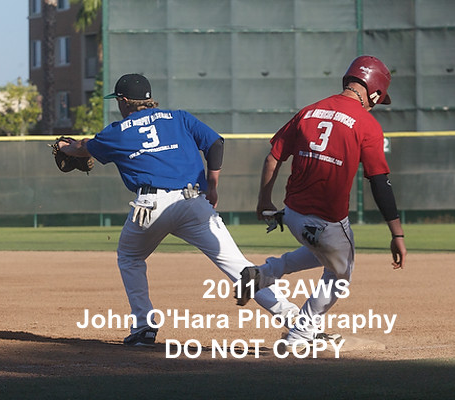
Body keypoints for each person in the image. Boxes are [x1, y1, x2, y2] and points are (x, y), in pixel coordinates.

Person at [59, 73, 299, 346]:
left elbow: (83, 148)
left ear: (124, 101)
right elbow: (215, 143)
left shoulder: (117, 131)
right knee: (238, 265)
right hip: (193, 202)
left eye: (118, 101)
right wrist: (212, 186)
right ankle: (296, 319)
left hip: (150, 207)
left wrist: (65, 147)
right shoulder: (179, 118)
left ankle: (144, 326)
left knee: (130, 257)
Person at [234, 56, 407, 350]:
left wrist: (264, 201)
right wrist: (397, 234)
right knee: (340, 274)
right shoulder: (367, 123)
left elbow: (273, 157)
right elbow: (380, 183)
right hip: (327, 220)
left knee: (324, 251)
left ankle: (264, 273)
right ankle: (301, 334)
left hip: (292, 214)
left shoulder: (309, 111)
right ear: (375, 92)